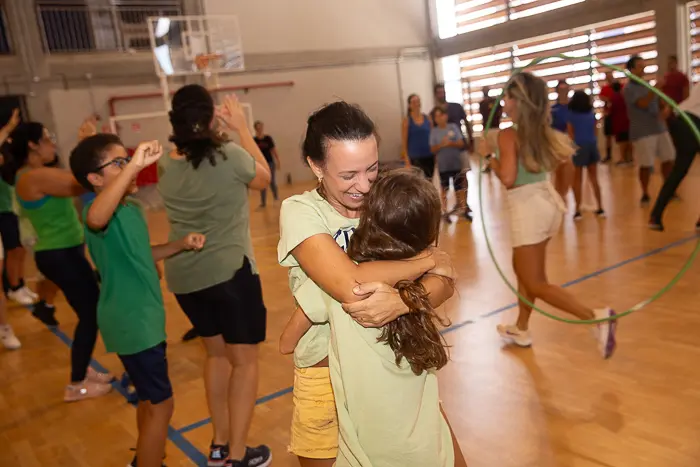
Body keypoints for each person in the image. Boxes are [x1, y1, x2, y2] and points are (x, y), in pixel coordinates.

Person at [280, 168, 467, 466]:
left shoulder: (331, 285)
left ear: (367, 220)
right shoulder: (425, 278)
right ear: (431, 234)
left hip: (367, 449)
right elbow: (447, 279)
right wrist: (427, 262)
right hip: (424, 444)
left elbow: (287, 342)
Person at [71, 136, 205, 467]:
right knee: (162, 404)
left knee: (148, 399)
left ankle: (145, 458)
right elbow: (96, 217)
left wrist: (180, 245)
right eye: (118, 163)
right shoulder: (96, 210)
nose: (130, 167)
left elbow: (142, 255)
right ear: (95, 178)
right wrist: (133, 166)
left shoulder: (130, 209)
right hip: (133, 320)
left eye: (126, 159)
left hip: (140, 318)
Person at [158, 85, 272, 467]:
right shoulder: (230, 155)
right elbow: (263, 177)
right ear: (210, 118)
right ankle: (237, 457)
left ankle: (220, 445)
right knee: (245, 362)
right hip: (229, 275)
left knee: (216, 355)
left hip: (185, 279)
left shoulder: (166, 164)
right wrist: (242, 128)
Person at [479, 72, 617, 359]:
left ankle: (595, 317)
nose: (504, 102)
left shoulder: (508, 134)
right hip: (546, 203)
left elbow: (508, 178)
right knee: (524, 271)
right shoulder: (543, 132)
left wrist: (488, 157)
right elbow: (566, 165)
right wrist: (560, 195)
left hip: (527, 209)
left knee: (535, 282)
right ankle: (521, 327)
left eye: (508, 97)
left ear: (519, 101)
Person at [4, 121, 114, 401]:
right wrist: (91, 148)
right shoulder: (32, 177)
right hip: (59, 254)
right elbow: (83, 181)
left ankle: (82, 369)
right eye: (47, 138)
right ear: (33, 145)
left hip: (66, 252)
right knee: (91, 314)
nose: (53, 143)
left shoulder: (39, 173)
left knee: (89, 312)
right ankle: (76, 384)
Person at [623, 55, 675, 205]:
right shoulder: (628, 89)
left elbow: (658, 101)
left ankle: (668, 190)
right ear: (632, 69)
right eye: (640, 66)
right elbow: (643, 103)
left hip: (659, 128)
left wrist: (665, 108)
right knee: (646, 164)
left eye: (644, 65)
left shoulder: (647, 85)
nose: (643, 69)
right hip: (643, 132)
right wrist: (655, 88)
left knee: (668, 159)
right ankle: (645, 193)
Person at [649, 82, 700, 232]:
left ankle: (655, 216)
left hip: (681, 120)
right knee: (679, 170)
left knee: (678, 171)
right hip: (692, 123)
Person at [0, 109, 37, 306]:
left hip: (9, 207)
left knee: (19, 249)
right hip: (2, 211)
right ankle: (13, 288)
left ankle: (20, 284)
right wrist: (9, 127)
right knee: (13, 250)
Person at [566, 90, 605, 219]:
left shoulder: (571, 116)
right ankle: (600, 207)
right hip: (591, 146)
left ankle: (577, 210)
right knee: (594, 178)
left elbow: (570, 134)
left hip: (578, 147)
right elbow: (595, 131)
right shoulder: (591, 114)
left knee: (577, 180)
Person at [430, 106, 470, 221]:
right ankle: (445, 211)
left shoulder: (453, 127)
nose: (439, 118)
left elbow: (461, 143)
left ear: (446, 116)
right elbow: (432, 149)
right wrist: (441, 145)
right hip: (443, 165)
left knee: (459, 187)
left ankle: (462, 209)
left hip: (455, 163)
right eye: (436, 116)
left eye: (441, 115)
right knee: (444, 188)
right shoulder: (434, 131)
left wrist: (450, 143)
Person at [401, 94, 434, 178]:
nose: (416, 104)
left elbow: (433, 138)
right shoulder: (407, 121)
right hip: (414, 157)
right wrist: (406, 160)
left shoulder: (428, 119)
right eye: (413, 102)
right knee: (418, 181)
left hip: (429, 156)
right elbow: (404, 143)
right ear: (409, 105)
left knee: (429, 180)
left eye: (418, 101)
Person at [253, 121, 281, 208]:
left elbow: (273, 150)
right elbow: (252, 152)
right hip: (260, 164)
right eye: (257, 127)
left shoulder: (268, 138)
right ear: (255, 129)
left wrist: (278, 160)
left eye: (260, 127)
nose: (259, 129)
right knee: (262, 182)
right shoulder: (254, 140)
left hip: (270, 162)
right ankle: (263, 203)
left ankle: (276, 198)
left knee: (272, 181)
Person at [608, 82, 633, 165]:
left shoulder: (613, 98)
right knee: (629, 140)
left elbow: (611, 110)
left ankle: (623, 158)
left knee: (622, 142)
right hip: (627, 121)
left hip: (619, 123)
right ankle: (630, 158)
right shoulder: (625, 96)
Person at [479, 86, 503, 173]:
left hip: (495, 127)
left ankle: (498, 164)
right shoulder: (482, 103)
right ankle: (488, 165)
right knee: (486, 147)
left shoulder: (495, 101)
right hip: (486, 128)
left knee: (496, 147)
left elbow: (500, 111)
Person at [599, 73, 617, 163]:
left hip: (617, 114)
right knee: (608, 136)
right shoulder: (605, 88)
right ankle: (609, 155)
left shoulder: (618, 87)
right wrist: (608, 99)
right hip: (608, 114)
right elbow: (601, 97)